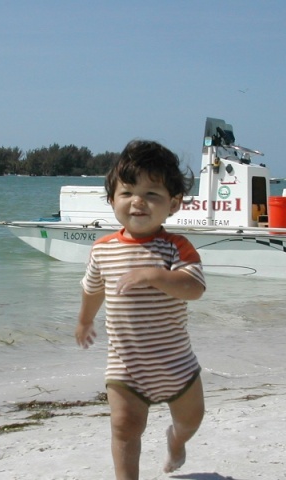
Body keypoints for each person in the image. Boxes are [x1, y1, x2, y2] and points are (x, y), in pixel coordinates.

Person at [75, 140, 206, 480]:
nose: (138, 201)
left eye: (152, 194)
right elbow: (93, 289)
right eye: (127, 192)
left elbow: (194, 289)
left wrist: (156, 276)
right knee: (123, 428)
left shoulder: (177, 247)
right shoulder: (102, 250)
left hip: (176, 362)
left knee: (191, 420)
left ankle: (176, 442)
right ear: (111, 200)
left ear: (174, 204)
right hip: (126, 364)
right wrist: (85, 320)